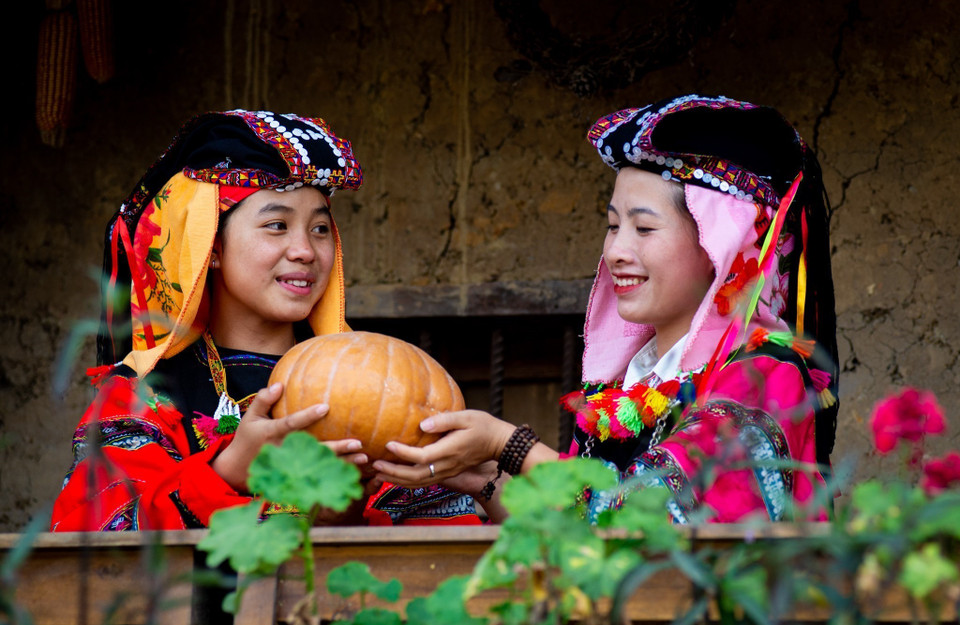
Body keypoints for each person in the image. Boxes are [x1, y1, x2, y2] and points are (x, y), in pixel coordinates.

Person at [374, 94, 839, 524]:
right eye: (613, 226)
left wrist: (508, 446)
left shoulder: (764, 374)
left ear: (720, 246)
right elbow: (580, 523)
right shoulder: (628, 389)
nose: (616, 251)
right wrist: (481, 479)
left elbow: (653, 514)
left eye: (643, 228)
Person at [52, 109, 482, 531]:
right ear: (211, 247)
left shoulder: (382, 383)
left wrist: (344, 520)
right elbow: (93, 547)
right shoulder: (146, 393)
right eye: (277, 225)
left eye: (319, 229)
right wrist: (229, 471)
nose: (306, 251)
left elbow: (442, 552)